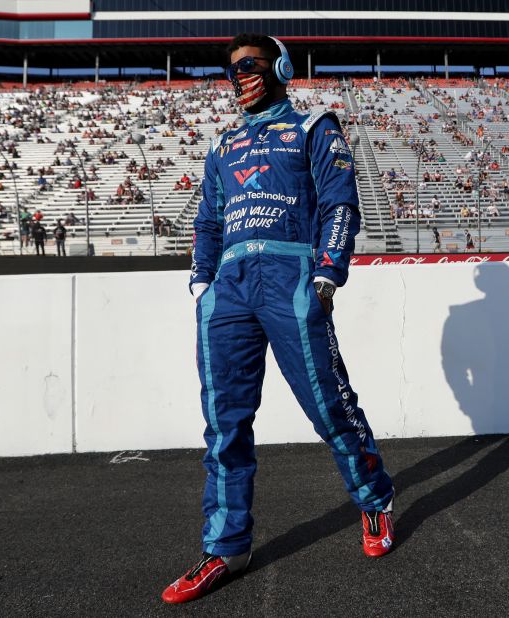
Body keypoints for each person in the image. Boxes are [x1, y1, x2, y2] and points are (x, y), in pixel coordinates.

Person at [164, 33, 396, 605]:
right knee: (224, 427)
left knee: (330, 408)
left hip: (292, 278)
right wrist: (202, 281)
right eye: (231, 69)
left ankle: (374, 501)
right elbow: (208, 220)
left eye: (250, 65)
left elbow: (341, 203)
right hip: (229, 291)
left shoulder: (316, 125)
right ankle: (226, 547)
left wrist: (326, 274)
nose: (239, 75)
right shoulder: (221, 145)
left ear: (281, 66)